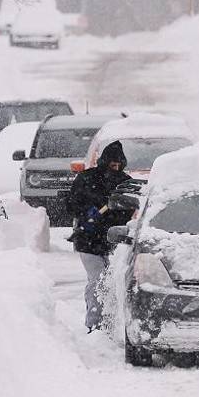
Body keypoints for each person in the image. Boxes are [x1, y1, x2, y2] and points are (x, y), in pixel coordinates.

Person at [66, 140, 133, 332]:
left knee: (112, 282)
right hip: (88, 241)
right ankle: (94, 324)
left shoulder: (125, 183)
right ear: (104, 161)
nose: (116, 167)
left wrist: (115, 211)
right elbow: (71, 205)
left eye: (119, 164)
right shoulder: (86, 179)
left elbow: (129, 212)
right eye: (113, 164)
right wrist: (87, 212)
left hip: (115, 241)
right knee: (98, 280)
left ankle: (110, 323)